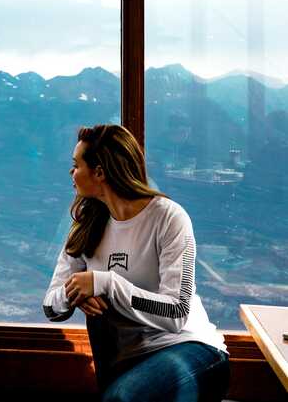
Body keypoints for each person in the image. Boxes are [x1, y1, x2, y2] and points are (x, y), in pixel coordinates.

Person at [43, 124, 229, 402]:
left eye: (76, 165)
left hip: (191, 349)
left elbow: (176, 314)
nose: (71, 173)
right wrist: (74, 295)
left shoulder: (169, 218)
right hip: (130, 359)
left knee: (123, 399)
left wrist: (105, 283)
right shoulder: (86, 224)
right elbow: (50, 306)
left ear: (99, 172)